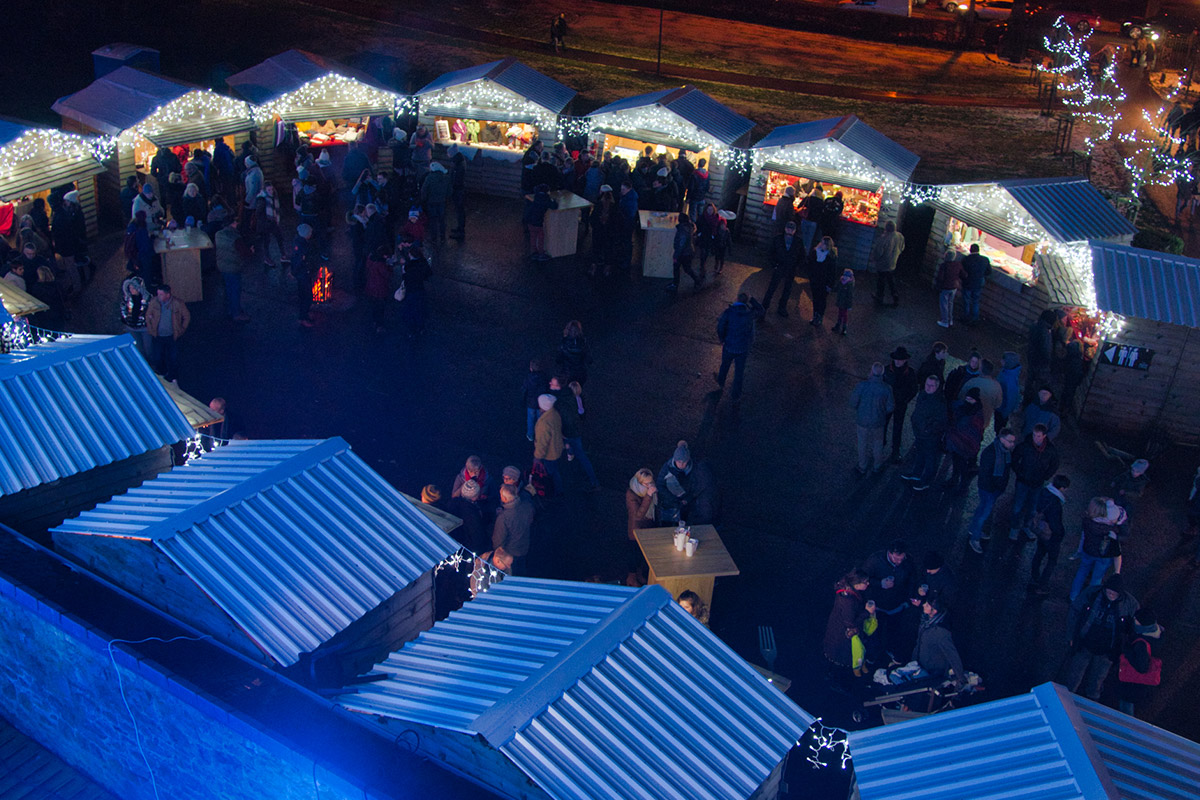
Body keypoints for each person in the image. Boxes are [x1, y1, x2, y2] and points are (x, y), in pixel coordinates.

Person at [1063, 573, 1138, 700]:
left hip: (1108, 650)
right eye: (1109, 592)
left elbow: (1134, 626)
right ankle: (1069, 698)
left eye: (1114, 593)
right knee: (1075, 675)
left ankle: (1092, 700)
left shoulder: (1130, 604)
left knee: (1098, 678)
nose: (1111, 595)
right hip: (1085, 643)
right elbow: (1074, 613)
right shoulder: (1092, 594)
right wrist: (1071, 636)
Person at [967, 428, 1017, 553]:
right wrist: (994, 488)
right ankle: (975, 538)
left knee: (982, 510)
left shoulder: (1004, 452)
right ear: (1002, 439)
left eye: (1013, 441)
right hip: (989, 490)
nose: (1012, 444)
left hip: (994, 489)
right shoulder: (991, 453)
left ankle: (973, 529)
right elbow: (985, 474)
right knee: (984, 514)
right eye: (1010, 441)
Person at [823, 568, 876, 684]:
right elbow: (850, 622)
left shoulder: (848, 592)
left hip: (838, 631)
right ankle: (839, 681)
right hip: (842, 636)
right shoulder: (847, 600)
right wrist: (867, 612)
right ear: (857, 584)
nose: (868, 584)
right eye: (865, 582)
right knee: (845, 658)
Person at [862, 541, 913, 660]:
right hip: (878, 605)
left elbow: (912, 580)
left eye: (902, 558)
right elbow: (863, 577)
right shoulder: (875, 560)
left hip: (896, 605)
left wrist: (908, 600)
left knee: (893, 630)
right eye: (896, 558)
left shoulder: (908, 561)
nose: (899, 562)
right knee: (875, 631)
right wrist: (880, 583)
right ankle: (873, 654)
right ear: (889, 553)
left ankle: (890, 649)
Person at [1009, 424, 1060, 541]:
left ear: (1044, 436)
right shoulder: (1025, 445)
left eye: (1038, 436)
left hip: (1037, 483)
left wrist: (1046, 476)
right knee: (1017, 506)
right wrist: (1019, 472)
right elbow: (1014, 458)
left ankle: (1026, 527)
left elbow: (1055, 464)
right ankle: (1014, 528)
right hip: (1023, 481)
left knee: (1032, 508)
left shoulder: (1050, 450)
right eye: (1034, 435)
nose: (1035, 438)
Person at [1070, 498, 1126, 600]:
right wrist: (1117, 571)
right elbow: (1117, 552)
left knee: (1081, 573)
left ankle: (1073, 597)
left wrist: (1079, 551)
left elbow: (1083, 537)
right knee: (1096, 579)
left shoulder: (1087, 522)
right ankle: (1089, 599)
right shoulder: (1111, 530)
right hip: (1103, 557)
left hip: (1088, 551)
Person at [551, 374, 599, 492]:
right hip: (575, 430)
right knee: (577, 449)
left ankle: (594, 481)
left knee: (579, 453)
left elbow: (565, 419)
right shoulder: (574, 398)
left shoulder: (562, 402)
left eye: (553, 383)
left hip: (569, 432)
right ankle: (571, 452)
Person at [714, 292, 764, 403]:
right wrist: (752, 300)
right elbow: (761, 310)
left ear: (737, 299)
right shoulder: (750, 314)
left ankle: (721, 381)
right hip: (743, 348)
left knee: (725, 365)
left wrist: (722, 338)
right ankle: (736, 395)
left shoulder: (729, 312)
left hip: (729, 345)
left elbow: (721, 326)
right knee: (739, 372)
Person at [1116, 608, 1164, 717]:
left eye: (1136, 619)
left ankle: (1125, 729)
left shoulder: (1141, 643)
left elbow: (1142, 667)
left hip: (1133, 682)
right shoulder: (1157, 633)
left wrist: (1127, 651)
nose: (1134, 620)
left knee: (1126, 706)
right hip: (1143, 685)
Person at [849, 362, 894, 476]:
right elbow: (890, 407)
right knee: (877, 445)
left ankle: (862, 466)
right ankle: (877, 466)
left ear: (871, 372)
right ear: (883, 374)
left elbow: (853, 403)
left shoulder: (861, 385)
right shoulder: (887, 388)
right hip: (878, 422)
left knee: (862, 444)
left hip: (862, 421)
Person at [656, 440, 716, 525]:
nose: (682, 464)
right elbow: (660, 484)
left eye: (684, 462)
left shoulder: (695, 469)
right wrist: (672, 499)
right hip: (670, 503)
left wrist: (687, 499)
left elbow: (699, 486)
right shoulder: (667, 468)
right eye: (679, 461)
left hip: (687, 503)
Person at [1029, 474, 1071, 594]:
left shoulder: (1044, 492)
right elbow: (1055, 523)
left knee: (1039, 554)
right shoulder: (1055, 502)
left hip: (1041, 531)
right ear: (1062, 488)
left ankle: (1034, 577)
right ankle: (1042, 586)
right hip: (1051, 535)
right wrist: (1060, 533)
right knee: (1052, 560)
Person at [904, 374, 948, 491]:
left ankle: (926, 481)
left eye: (931, 386)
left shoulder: (940, 402)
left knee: (930, 459)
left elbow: (941, 421)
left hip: (930, 436)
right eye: (927, 384)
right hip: (920, 433)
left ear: (937, 387)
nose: (928, 387)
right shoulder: (923, 394)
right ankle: (916, 474)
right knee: (920, 455)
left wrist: (928, 430)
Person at [912, 596, 965, 686]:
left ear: (934, 611)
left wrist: (960, 677)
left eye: (928, 605)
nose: (924, 605)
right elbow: (918, 644)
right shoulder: (925, 624)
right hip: (921, 667)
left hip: (933, 672)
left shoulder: (941, 632)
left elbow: (952, 655)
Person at [144, 284, 190, 383]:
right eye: (158, 294)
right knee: (157, 357)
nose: (158, 296)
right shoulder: (154, 302)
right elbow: (148, 315)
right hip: (158, 336)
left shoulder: (178, 303)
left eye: (161, 294)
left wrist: (181, 329)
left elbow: (186, 316)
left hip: (171, 336)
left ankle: (173, 377)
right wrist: (151, 327)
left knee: (173, 358)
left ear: (168, 295)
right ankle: (162, 374)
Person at [944, 388, 985, 495]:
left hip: (966, 445)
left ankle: (963, 486)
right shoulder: (963, 408)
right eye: (967, 398)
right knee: (956, 462)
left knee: (963, 466)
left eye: (971, 399)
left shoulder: (977, 414)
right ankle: (954, 479)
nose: (968, 400)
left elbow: (975, 431)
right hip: (957, 443)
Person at [763, 220, 806, 317]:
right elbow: (770, 252)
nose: (790, 231)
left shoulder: (795, 241)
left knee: (785, 289)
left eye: (792, 229)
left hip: (789, 267)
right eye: (789, 228)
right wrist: (774, 264)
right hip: (782, 266)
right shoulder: (781, 239)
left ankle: (778, 307)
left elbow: (802, 256)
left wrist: (797, 266)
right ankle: (767, 306)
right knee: (774, 287)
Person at [883, 347, 918, 464]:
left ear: (905, 360)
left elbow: (914, 389)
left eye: (900, 359)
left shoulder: (909, 373)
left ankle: (895, 451)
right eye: (896, 359)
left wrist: (905, 400)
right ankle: (881, 442)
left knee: (898, 428)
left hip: (900, 405)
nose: (898, 361)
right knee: (884, 424)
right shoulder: (887, 370)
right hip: (888, 404)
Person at [625, 468, 658, 585]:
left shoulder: (646, 489)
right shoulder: (631, 494)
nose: (650, 485)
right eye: (647, 483)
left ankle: (638, 574)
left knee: (642, 554)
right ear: (640, 482)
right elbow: (638, 516)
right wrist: (649, 496)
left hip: (647, 527)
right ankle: (631, 578)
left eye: (651, 482)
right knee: (634, 554)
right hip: (636, 531)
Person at [493, 483, 534, 575]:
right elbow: (530, 520)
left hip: (509, 553)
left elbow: (498, 540)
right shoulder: (527, 506)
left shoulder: (503, 518)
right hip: (524, 547)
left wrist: (497, 552)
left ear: (505, 498)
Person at [214, 220, 249, 322]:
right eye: (235, 222)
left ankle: (231, 308)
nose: (237, 223)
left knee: (228, 289)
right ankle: (236, 313)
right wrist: (251, 251)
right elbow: (244, 252)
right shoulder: (235, 238)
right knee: (235, 290)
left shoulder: (218, 234)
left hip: (221, 266)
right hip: (233, 268)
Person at [445, 478, 488, 554]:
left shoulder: (452, 503)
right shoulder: (472, 513)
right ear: (475, 496)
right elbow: (477, 536)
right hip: (467, 548)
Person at [533, 393, 564, 494]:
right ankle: (558, 489)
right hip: (557, 448)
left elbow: (542, 443)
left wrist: (537, 457)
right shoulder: (554, 414)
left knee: (550, 473)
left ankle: (554, 491)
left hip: (550, 454)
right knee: (555, 471)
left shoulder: (544, 423)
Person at [868, 220, 904, 306]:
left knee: (881, 280)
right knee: (891, 280)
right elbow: (902, 247)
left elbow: (879, 252)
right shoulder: (900, 236)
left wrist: (875, 259)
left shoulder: (884, 239)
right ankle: (895, 296)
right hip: (893, 262)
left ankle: (879, 296)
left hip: (883, 264)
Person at [808, 235, 838, 327]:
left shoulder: (831, 257)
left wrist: (830, 285)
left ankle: (819, 316)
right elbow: (810, 264)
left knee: (821, 300)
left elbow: (832, 272)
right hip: (815, 281)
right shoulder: (815, 252)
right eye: (822, 242)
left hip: (824, 282)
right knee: (816, 298)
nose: (822, 245)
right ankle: (815, 315)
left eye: (824, 244)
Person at [420, 161, 452, 245]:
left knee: (433, 220)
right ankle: (442, 236)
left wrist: (423, 199)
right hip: (442, 201)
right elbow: (449, 191)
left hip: (431, 202)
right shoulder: (446, 178)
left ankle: (434, 238)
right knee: (442, 219)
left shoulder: (429, 177)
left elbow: (424, 190)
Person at [668, 212, 702, 292]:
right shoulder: (690, 227)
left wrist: (676, 256)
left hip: (683, 253)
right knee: (687, 269)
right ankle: (697, 280)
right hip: (689, 252)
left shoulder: (682, 230)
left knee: (676, 268)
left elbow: (681, 245)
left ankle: (675, 285)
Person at [524, 183, 558, 260]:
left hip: (529, 220)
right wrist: (554, 201)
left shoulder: (537, 197)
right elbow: (554, 206)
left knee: (533, 236)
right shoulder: (546, 199)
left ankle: (534, 252)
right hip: (537, 222)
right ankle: (541, 253)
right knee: (540, 237)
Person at [292, 223, 317, 328]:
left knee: (304, 296)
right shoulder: (302, 247)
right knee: (306, 296)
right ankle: (303, 318)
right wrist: (294, 272)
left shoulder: (299, 243)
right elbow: (299, 261)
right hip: (303, 274)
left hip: (303, 273)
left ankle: (305, 314)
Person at [960, 243, 991, 324]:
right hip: (979, 282)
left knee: (966, 300)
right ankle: (974, 318)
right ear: (978, 250)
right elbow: (989, 272)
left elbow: (961, 271)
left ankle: (965, 317)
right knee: (975, 301)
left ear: (970, 250)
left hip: (967, 282)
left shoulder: (966, 259)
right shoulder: (985, 259)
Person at [933, 250, 965, 328]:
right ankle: (950, 320)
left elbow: (940, 278)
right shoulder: (958, 264)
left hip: (946, 287)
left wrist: (937, 286)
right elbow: (963, 275)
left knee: (944, 304)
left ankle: (945, 321)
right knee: (950, 303)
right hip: (954, 287)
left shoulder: (944, 265)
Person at [556, 320, 591, 385]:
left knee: (568, 391)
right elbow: (589, 358)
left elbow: (558, 359)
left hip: (567, 372)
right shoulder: (583, 342)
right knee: (577, 390)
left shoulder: (564, 342)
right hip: (580, 372)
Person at [522, 359, 549, 442]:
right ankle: (540, 434)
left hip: (531, 403)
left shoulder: (528, 378)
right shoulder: (544, 377)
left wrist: (523, 400)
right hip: (541, 404)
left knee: (530, 419)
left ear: (531, 368)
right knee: (540, 420)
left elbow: (524, 390)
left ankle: (530, 434)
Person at [996, 351, 1022, 431]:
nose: (1001, 361)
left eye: (1003, 360)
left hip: (1002, 410)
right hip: (999, 407)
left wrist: (1004, 414)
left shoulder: (1010, 380)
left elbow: (1011, 400)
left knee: (999, 429)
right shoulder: (1006, 371)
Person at [832, 268, 855, 335]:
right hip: (841, 301)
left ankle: (843, 326)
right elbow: (837, 288)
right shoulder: (841, 281)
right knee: (840, 313)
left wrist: (849, 305)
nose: (845, 277)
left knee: (844, 314)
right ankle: (839, 325)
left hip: (844, 303)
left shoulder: (849, 285)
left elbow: (850, 296)